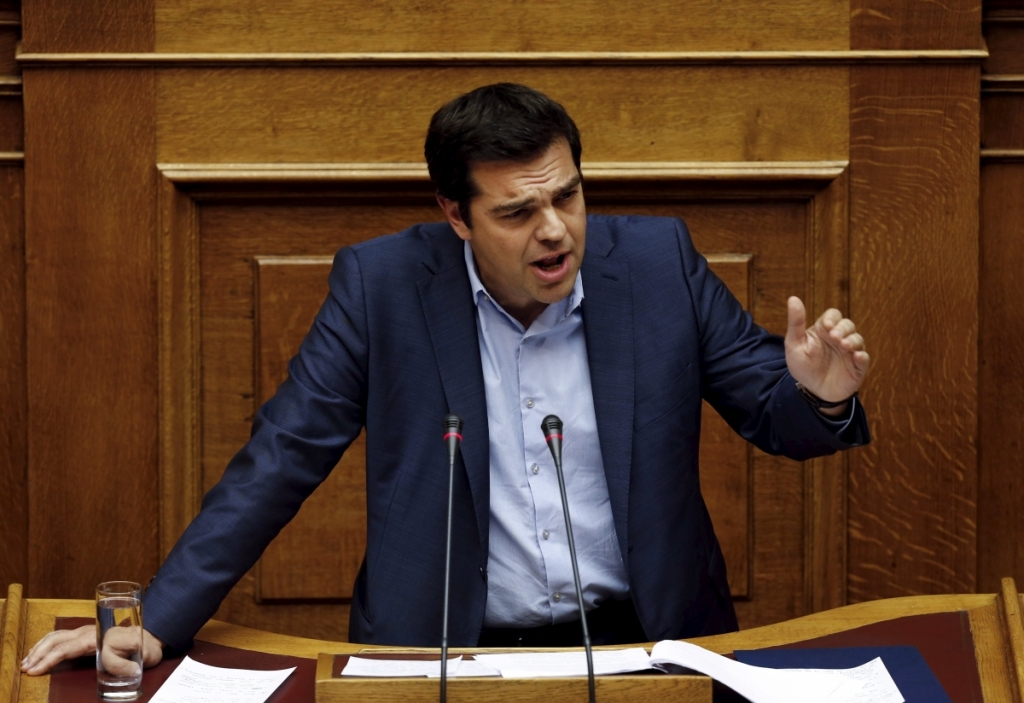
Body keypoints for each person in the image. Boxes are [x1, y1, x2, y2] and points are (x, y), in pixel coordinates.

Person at [22, 82, 870, 674]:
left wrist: (819, 393)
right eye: (517, 212)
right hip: (440, 652)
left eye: (568, 197)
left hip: (644, 639)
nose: (556, 232)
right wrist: (155, 623)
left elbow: (774, 412)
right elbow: (277, 462)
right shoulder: (382, 286)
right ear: (454, 215)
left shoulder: (656, 262)